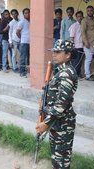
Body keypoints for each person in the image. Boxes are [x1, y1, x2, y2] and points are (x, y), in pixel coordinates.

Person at [36, 39, 78, 169]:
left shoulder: (66, 73)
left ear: (68, 55)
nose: (54, 54)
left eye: (58, 52)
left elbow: (61, 104)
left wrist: (46, 123)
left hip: (63, 123)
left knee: (61, 161)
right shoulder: (60, 71)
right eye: (53, 51)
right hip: (56, 121)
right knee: (56, 157)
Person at [81, 5, 94, 81]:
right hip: (88, 44)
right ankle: (87, 75)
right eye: (88, 11)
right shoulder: (84, 20)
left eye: (91, 10)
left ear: (93, 11)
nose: (90, 12)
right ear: (86, 11)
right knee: (88, 59)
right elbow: (83, 32)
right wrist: (86, 42)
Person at [69, 11, 84, 78]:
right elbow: (71, 37)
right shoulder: (74, 26)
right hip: (76, 47)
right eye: (78, 16)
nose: (80, 18)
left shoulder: (83, 25)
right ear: (76, 17)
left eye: (81, 16)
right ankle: (74, 75)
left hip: (82, 46)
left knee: (80, 62)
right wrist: (72, 47)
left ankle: (78, 74)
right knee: (76, 62)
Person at [16, 8, 30, 77]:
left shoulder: (31, 21)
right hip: (24, 42)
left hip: (31, 42)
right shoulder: (22, 22)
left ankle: (27, 69)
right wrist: (21, 38)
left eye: (28, 12)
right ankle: (22, 72)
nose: (27, 14)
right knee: (23, 57)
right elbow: (17, 32)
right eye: (26, 13)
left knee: (29, 57)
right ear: (23, 14)